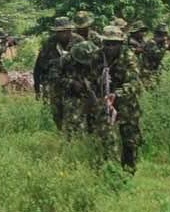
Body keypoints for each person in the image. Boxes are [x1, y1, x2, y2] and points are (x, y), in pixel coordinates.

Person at [96, 26, 143, 168]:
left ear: (121, 44)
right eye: (107, 44)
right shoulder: (97, 56)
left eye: (114, 44)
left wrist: (117, 94)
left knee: (129, 140)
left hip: (126, 103)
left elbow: (134, 83)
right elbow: (90, 77)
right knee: (105, 137)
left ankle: (128, 170)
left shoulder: (128, 57)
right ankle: (107, 168)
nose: (110, 47)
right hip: (103, 102)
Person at [33, 16, 83, 130]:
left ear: (70, 30)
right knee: (57, 113)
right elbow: (39, 65)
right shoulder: (50, 43)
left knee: (76, 114)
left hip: (76, 84)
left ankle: (75, 137)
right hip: (56, 84)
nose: (63, 35)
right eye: (59, 32)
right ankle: (61, 134)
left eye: (65, 31)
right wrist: (37, 88)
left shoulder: (79, 42)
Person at [58, 40, 100, 136]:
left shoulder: (98, 57)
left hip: (92, 92)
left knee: (95, 118)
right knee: (73, 121)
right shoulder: (66, 60)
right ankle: (72, 140)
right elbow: (56, 78)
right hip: (72, 93)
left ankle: (92, 138)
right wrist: (71, 82)